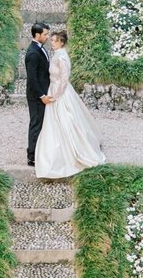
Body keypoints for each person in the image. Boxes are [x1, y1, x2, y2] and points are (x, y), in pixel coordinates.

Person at [34, 28, 106, 179]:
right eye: (51, 40)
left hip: (60, 92)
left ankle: (70, 153)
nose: (51, 43)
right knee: (54, 123)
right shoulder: (58, 54)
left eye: (54, 41)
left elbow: (64, 79)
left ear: (61, 42)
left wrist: (56, 96)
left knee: (66, 121)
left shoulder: (62, 57)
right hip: (54, 88)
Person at [24, 22, 51, 167]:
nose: (47, 37)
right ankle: (32, 156)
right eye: (45, 34)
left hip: (43, 92)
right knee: (36, 123)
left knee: (41, 123)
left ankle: (39, 151)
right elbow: (32, 78)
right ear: (37, 35)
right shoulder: (33, 53)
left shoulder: (39, 48)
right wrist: (42, 96)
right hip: (36, 96)